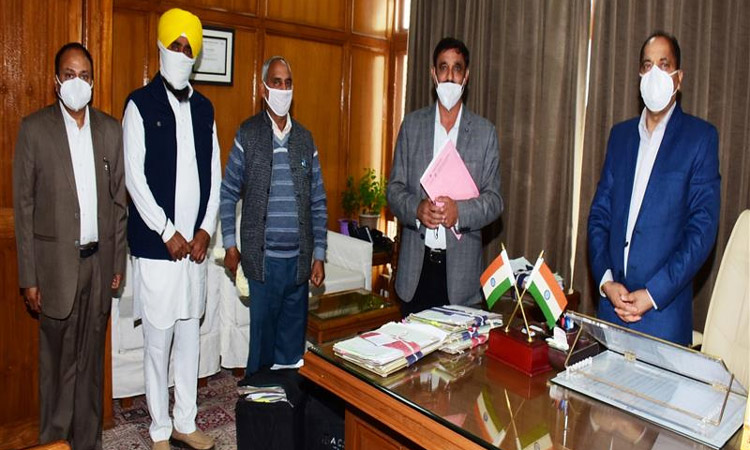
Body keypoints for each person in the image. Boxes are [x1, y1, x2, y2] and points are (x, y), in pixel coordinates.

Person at [13, 42, 127, 450]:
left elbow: (119, 204)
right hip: (54, 270)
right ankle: (54, 443)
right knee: (58, 369)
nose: (77, 82)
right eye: (69, 74)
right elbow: (24, 208)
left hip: (98, 265)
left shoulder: (110, 130)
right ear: (56, 80)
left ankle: (88, 444)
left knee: (91, 368)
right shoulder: (34, 129)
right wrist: (29, 277)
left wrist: (117, 263)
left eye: (84, 75)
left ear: (92, 82)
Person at [123, 8, 221, 450]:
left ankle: (185, 421)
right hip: (157, 249)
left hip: (194, 252)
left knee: (189, 338)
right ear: (162, 48)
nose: (182, 52)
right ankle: (159, 429)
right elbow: (134, 179)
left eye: (189, 47)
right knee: (157, 341)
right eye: (176, 45)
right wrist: (166, 231)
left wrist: (204, 231)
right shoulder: (139, 104)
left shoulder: (205, 108)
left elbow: (215, 178)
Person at [588, 31, 720, 346]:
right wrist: (606, 282)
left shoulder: (700, 138)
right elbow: (599, 216)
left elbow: (701, 231)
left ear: (679, 78)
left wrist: (652, 293)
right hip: (611, 312)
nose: (654, 74)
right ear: (639, 75)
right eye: (648, 66)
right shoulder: (620, 136)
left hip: (663, 319)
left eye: (664, 65)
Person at [220, 55, 327, 377]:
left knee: (292, 352)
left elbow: (318, 201)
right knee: (263, 350)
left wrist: (319, 255)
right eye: (276, 82)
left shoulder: (305, 139)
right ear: (264, 89)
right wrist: (230, 245)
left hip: (298, 264)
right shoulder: (248, 134)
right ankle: (258, 398)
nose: (283, 89)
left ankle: (287, 400)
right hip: (262, 263)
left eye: (288, 83)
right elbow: (228, 194)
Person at [387, 37, 503, 316]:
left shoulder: (485, 133)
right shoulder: (412, 126)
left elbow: (494, 201)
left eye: (457, 68)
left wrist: (459, 212)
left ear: (466, 76)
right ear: (433, 74)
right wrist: (416, 209)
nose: (450, 76)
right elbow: (394, 190)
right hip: (415, 274)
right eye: (443, 68)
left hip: (461, 279)